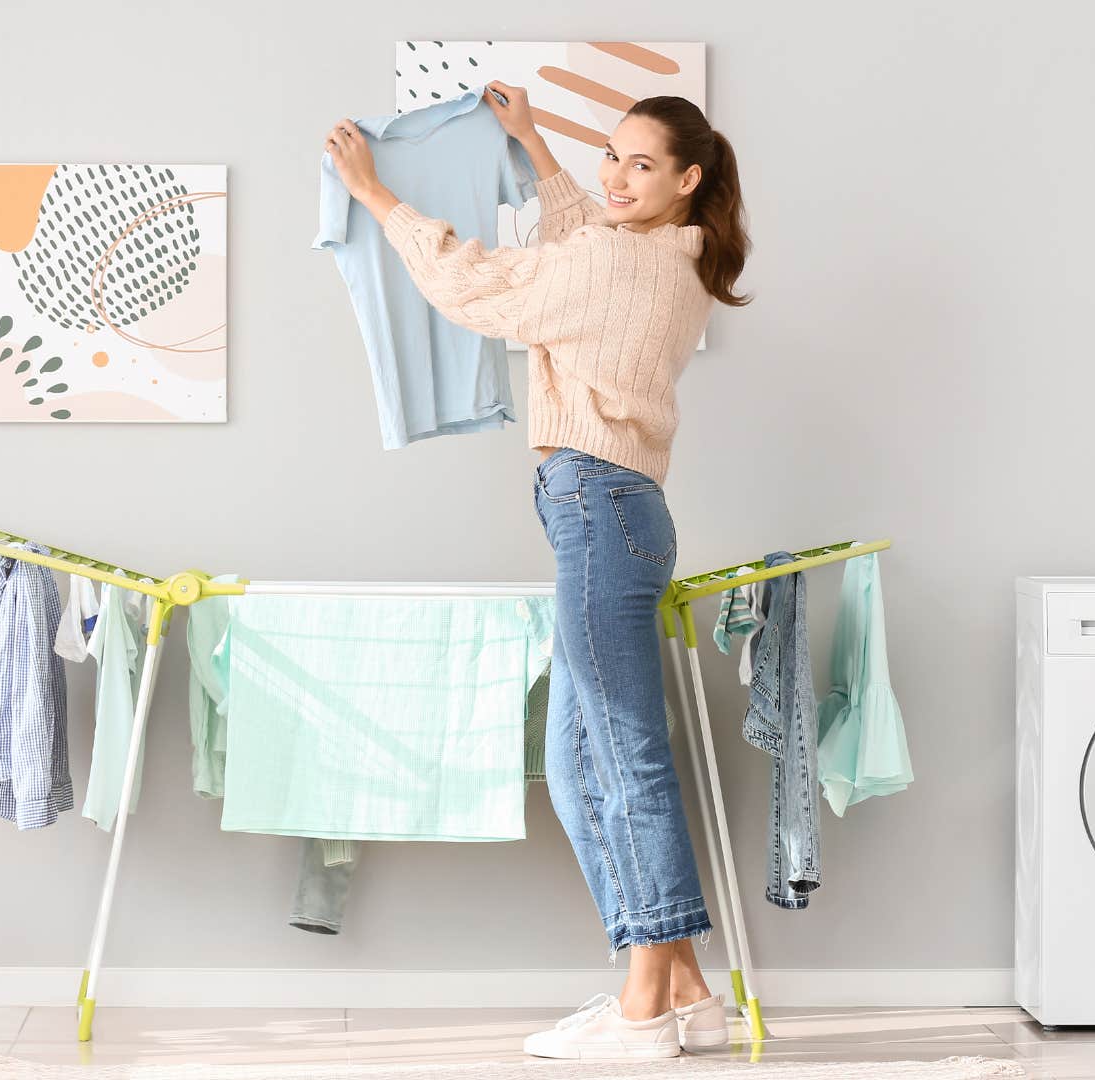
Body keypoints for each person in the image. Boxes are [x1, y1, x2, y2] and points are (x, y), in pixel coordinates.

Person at [323, 82, 750, 1060]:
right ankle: (684, 986)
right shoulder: (673, 263)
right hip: (622, 509)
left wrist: (375, 193)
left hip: (597, 507)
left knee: (627, 758)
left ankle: (645, 1004)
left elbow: (482, 286)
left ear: (686, 180)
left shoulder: (613, 261)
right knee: (578, 764)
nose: (614, 175)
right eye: (611, 154)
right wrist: (535, 146)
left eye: (641, 164)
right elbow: (586, 245)